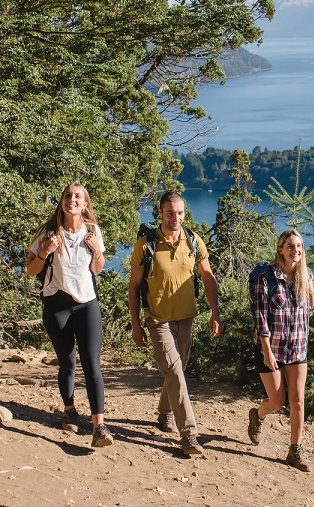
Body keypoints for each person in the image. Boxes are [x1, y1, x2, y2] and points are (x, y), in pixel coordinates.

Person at [127, 191, 221, 456]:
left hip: (186, 316)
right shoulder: (146, 245)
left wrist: (215, 312)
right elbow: (134, 287)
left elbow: (208, 276)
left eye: (180, 213)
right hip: (157, 320)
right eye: (170, 213)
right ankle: (189, 434)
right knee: (175, 370)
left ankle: (165, 412)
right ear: (160, 213)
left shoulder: (193, 241)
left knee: (177, 369)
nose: (175, 218)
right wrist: (136, 324)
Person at [25, 182, 113, 448]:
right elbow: (30, 270)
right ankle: (70, 409)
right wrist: (43, 253)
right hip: (57, 305)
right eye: (67, 196)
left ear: (85, 204)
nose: (71, 200)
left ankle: (99, 426)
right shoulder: (47, 233)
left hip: (87, 304)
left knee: (92, 364)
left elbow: (97, 268)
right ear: (62, 201)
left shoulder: (93, 231)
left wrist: (97, 251)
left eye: (77, 197)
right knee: (68, 362)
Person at [245, 228, 314, 472]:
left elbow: (307, 312)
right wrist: (266, 350)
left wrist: (312, 297)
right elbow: (260, 317)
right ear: (280, 249)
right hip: (271, 348)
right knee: (277, 401)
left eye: (299, 246)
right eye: (290, 246)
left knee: (297, 400)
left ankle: (295, 451)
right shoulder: (266, 277)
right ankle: (258, 415)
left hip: (297, 347)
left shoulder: (306, 275)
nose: (295, 250)